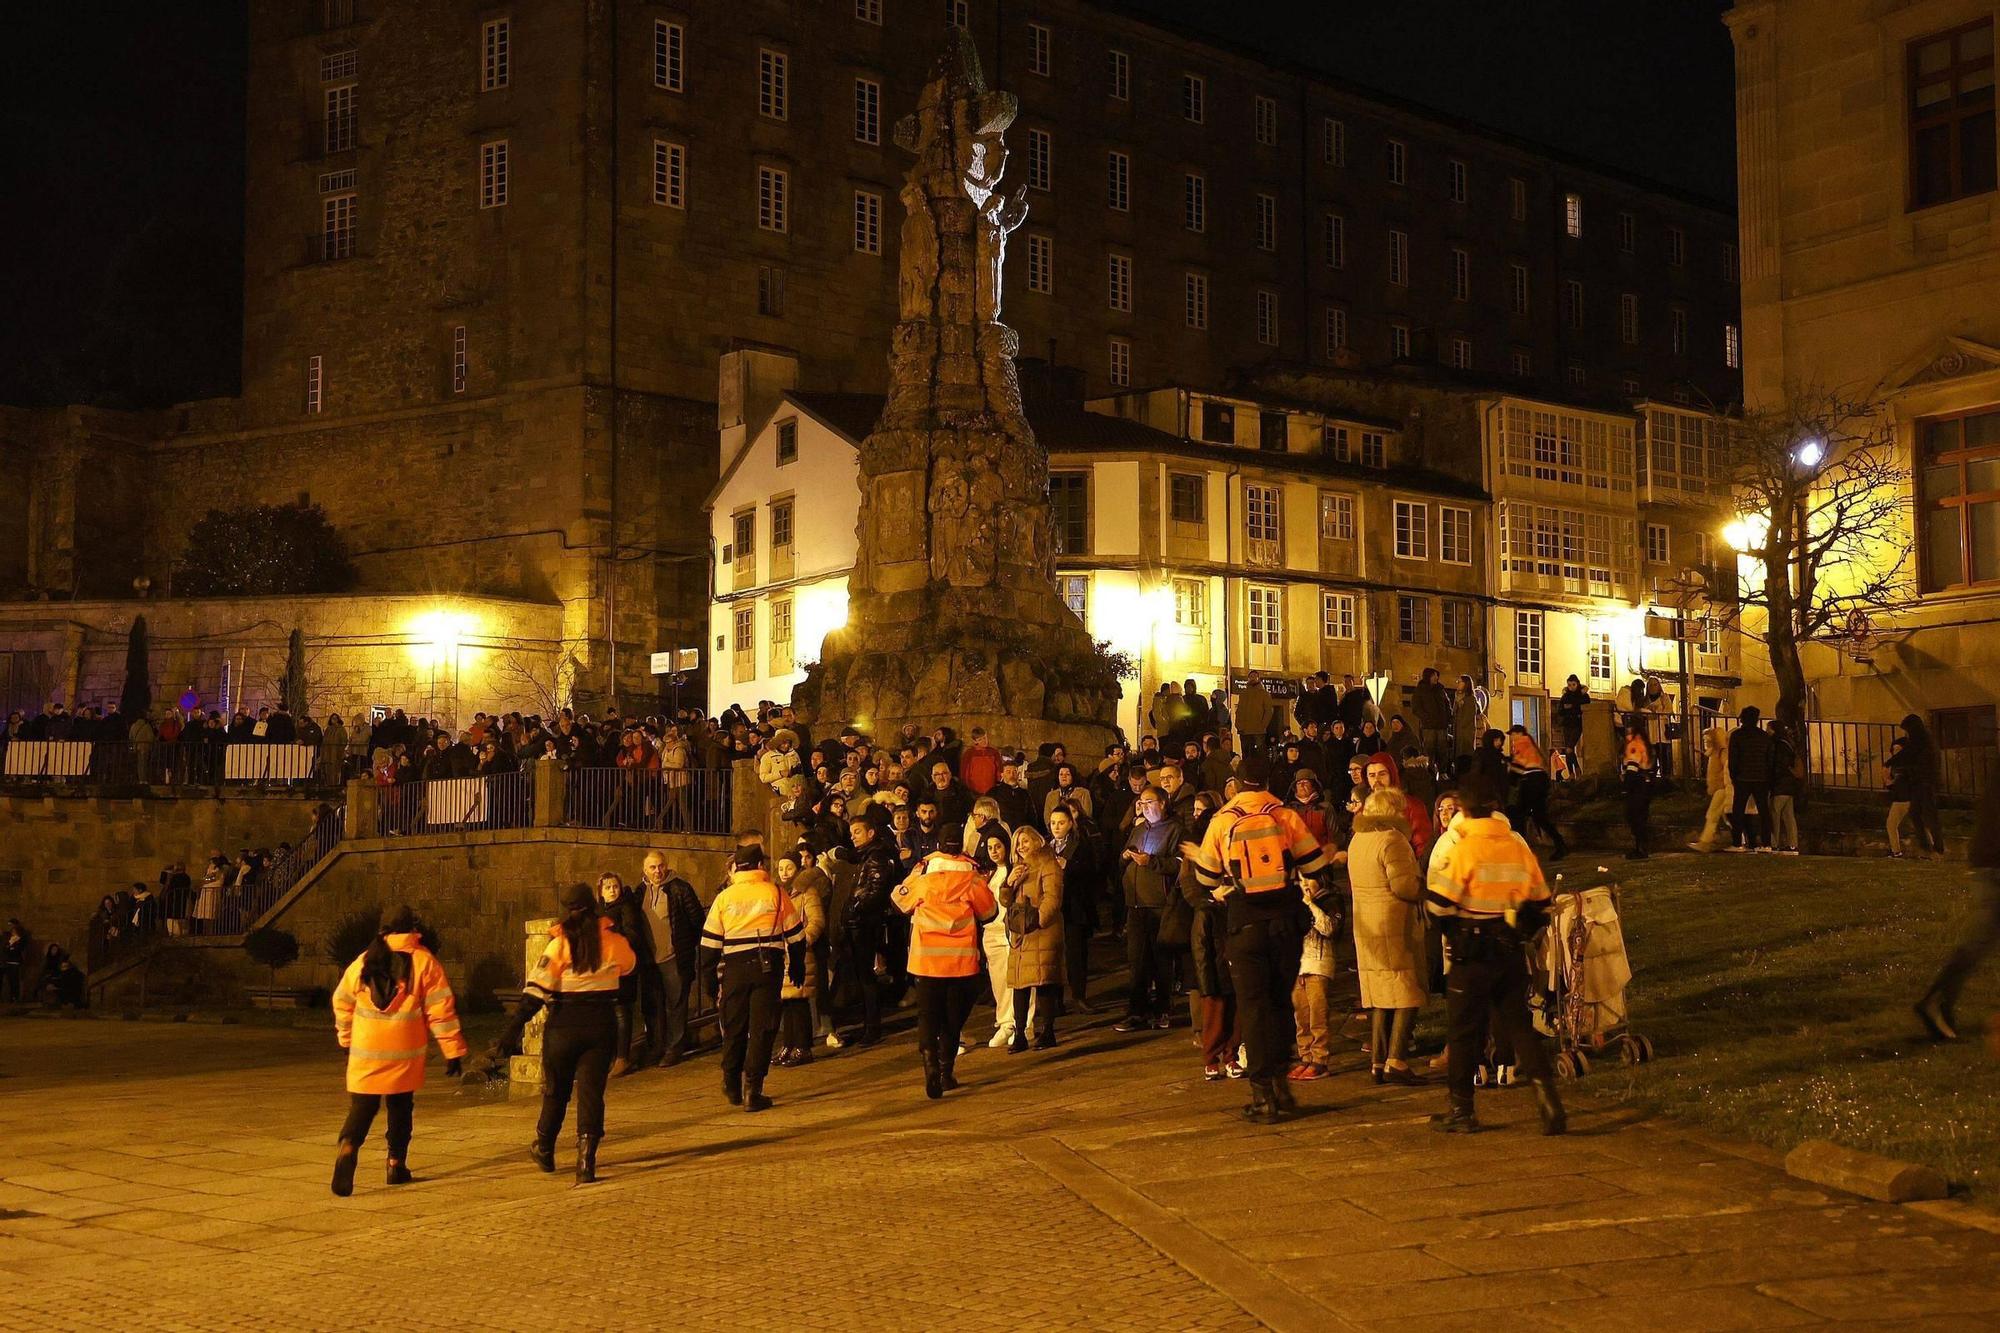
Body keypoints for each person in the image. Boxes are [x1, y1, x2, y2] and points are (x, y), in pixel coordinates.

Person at [1190, 753, 1332, 1123]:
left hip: (1245, 923)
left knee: (1252, 1007)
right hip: (1284, 921)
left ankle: (1263, 1094)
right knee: (1281, 1002)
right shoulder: (1285, 815)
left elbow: (1205, 879)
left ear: (1236, 783)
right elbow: (1314, 865)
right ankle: (1284, 1087)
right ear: (1268, 780)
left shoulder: (1224, 820)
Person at [1423, 773, 1564, 1136]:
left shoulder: (1464, 848)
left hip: (1471, 951)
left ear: (1466, 809)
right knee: (1519, 1026)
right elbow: (1543, 903)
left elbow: (1439, 905)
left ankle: (1462, 1110)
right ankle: (1548, 1100)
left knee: (1463, 1030)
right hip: (1509, 950)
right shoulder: (1517, 846)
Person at [487, 883, 636, 1183]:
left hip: (563, 1026)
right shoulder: (614, 942)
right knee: (592, 1093)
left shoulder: (558, 945)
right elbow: (629, 967)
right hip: (600, 1025)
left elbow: (534, 993)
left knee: (556, 1091)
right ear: (594, 906)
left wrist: (511, 1032)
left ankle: (544, 1147)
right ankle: (586, 1162)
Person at [329, 909, 465, 1196]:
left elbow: (341, 1001)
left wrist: (346, 1039)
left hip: (366, 1050)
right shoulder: (424, 962)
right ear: (412, 929)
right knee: (401, 1107)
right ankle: (395, 1164)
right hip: (404, 1051)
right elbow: (440, 1009)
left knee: (363, 1106)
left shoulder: (364, 961)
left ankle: (349, 1145)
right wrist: (452, 1050)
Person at [699, 845, 807, 1113]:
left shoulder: (724, 898)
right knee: (762, 1029)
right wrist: (797, 967)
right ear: (760, 865)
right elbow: (796, 936)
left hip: (735, 970)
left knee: (734, 1026)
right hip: (766, 969)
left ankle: (730, 1081)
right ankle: (752, 1090)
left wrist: (710, 982)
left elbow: (709, 945)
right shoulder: (776, 893)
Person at [892, 842, 1000, 1098]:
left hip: (927, 962)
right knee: (953, 1019)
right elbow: (989, 912)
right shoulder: (971, 878)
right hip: (961, 962)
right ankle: (945, 1071)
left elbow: (899, 900)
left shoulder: (924, 877)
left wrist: (915, 873)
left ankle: (930, 1065)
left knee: (928, 1016)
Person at [1349, 787, 1428, 1084]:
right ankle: (1397, 1059)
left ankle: (1377, 1061)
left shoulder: (1358, 840)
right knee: (1406, 990)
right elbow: (1404, 886)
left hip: (1366, 926)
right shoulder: (1392, 839)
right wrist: (1425, 888)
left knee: (1381, 995)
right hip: (1393, 924)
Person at [1914, 774, 2000, 1042]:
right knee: (1979, 940)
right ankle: (1936, 1001)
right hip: (1995, 866)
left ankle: (1938, 1001)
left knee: (1981, 940)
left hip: (1989, 862)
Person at [1115, 786, 1182, 1033]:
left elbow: (1179, 864)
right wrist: (1125, 857)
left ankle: (1163, 1008)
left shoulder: (1175, 829)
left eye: (1148, 801)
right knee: (1137, 960)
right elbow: (1124, 858)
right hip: (1135, 903)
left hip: (1158, 904)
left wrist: (1151, 862)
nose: (1143, 807)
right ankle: (1136, 1011)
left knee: (1161, 960)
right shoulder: (1139, 829)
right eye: (1140, 803)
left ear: (1163, 803)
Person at [1000, 825, 1065, 1051]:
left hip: (1041, 931)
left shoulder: (1048, 864)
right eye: (1018, 843)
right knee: (1020, 984)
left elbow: (1052, 897)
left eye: (1025, 841)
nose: (1021, 847)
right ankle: (1020, 1032)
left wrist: (1038, 919)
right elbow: (1005, 900)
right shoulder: (1019, 868)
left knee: (1043, 981)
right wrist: (1008, 882)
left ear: (1037, 841)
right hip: (1021, 934)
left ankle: (1048, 1030)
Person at [838, 815, 901, 1046]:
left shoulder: (876, 857)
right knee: (862, 976)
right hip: (859, 922)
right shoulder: (866, 856)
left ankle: (872, 1027)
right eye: (851, 832)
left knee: (866, 977)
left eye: (857, 832)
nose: (853, 836)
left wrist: (855, 909)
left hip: (864, 924)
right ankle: (867, 1024)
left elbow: (875, 891)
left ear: (871, 833)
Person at [637, 852, 702, 1066]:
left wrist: (684, 947)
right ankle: (656, 1047)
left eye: (661, 866)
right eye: (653, 867)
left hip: (674, 957)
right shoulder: (640, 892)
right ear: (645, 870)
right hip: (649, 960)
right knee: (654, 1006)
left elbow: (696, 921)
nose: (658, 871)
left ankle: (674, 1048)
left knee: (676, 1004)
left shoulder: (679, 889)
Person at [596, 873, 657, 1076]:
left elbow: (633, 934)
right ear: (601, 891)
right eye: (608, 887)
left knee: (622, 1012)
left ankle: (622, 1057)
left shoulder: (626, 907)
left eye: (615, 886)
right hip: (604, 970)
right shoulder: (598, 911)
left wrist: (612, 936)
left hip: (623, 968)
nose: (612, 890)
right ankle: (610, 1056)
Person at [774, 854, 826, 1067]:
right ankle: (788, 1044)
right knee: (786, 1001)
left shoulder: (807, 892)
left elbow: (816, 920)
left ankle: (803, 1046)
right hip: (782, 952)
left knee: (799, 1000)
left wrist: (803, 940)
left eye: (788, 867)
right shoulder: (777, 893)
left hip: (800, 952)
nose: (784, 872)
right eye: (780, 868)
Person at [1886, 714, 1945, 859]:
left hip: (1924, 783)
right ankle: (1930, 847)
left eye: (1907, 730)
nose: (1906, 734)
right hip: (1921, 783)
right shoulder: (1923, 741)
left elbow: (1908, 754)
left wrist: (1889, 763)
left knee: (1928, 816)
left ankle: (1936, 848)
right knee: (1917, 814)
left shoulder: (1920, 741)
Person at [1504, 726, 1566, 860]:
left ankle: (1520, 848)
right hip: (1538, 779)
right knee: (1539, 816)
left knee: (1518, 814)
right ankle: (1559, 843)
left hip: (1533, 780)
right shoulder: (1530, 743)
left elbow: (1519, 765)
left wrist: (1508, 765)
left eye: (1513, 734)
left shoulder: (1522, 742)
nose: (1512, 738)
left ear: (1519, 733)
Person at [1727, 706, 1777, 851]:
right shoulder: (1764, 737)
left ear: (1742, 718)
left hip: (1742, 778)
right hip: (1762, 778)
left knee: (1738, 810)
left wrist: (1734, 777)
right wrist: (1768, 777)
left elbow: (1733, 759)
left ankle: (1737, 843)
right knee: (1764, 812)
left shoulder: (1737, 736)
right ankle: (1766, 843)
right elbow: (1770, 760)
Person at [1686, 725, 1737, 853]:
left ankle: (1705, 842)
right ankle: (1741, 839)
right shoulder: (1714, 752)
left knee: (1712, 815)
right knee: (1727, 818)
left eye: (1707, 739)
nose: (1705, 741)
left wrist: (1719, 782)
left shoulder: (1721, 752)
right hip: (1719, 789)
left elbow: (1726, 768)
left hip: (1722, 789)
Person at [1621, 723, 1655, 860]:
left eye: (1629, 732)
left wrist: (1625, 787)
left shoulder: (1634, 746)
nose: (1627, 735)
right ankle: (1641, 847)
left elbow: (1632, 768)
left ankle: (1640, 849)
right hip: (1646, 784)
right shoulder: (1645, 744)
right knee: (1641, 817)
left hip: (1636, 785)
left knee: (1634, 817)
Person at [1769, 724, 1802, 855]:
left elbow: (1779, 765)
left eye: (1769, 728)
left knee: (1774, 814)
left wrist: (1772, 780)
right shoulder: (1788, 744)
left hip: (1780, 785)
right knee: (1789, 816)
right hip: (1789, 785)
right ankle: (1793, 845)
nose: (1767, 731)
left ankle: (1774, 844)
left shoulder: (1778, 745)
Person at [1412, 668, 1452, 767]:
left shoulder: (1440, 689)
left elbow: (1447, 704)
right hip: (1428, 727)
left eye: (1437, 675)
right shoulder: (1420, 690)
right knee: (1429, 750)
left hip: (1442, 726)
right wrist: (1426, 717)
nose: (1436, 677)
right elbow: (1416, 707)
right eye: (1434, 675)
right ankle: (1429, 771)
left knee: (1442, 750)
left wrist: (1448, 718)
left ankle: (1442, 771)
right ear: (1428, 676)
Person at [1554, 676, 1589, 770]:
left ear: (1577, 684)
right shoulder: (1565, 696)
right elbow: (1560, 710)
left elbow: (1585, 708)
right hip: (1567, 724)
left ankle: (1576, 770)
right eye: (1569, 685)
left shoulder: (1583, 695)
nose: (1571, 687)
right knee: (1568, 750)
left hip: (1577, 724)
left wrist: (1572, 706)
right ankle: (1572, 773)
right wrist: (1566, 708)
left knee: (1569, 748)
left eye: (1573, 684)